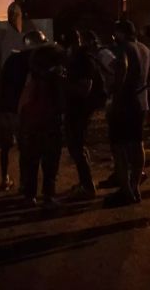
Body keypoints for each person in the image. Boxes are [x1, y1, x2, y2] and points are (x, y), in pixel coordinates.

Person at [105, 19, 150, 207]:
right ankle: (135, 187)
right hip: (141, 103)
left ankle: (126, 191)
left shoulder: (123, 47)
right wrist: (145, 85)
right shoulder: (143, 48)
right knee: (137, 143)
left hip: (124, 104)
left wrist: (115, 94)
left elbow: (123, 67)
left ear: (121, 33)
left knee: (119, 147)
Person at [0, 30, 47, 191]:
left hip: (5, 108)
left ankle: (4, 179)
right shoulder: (35, 62)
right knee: (25, 149)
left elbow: (2, 83)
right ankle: (24, 184)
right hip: (21, 111)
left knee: (5, 146)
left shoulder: (12, 58)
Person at [18, 43, 67, 208]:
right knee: (51, 164)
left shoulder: (33, 79)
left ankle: (29, 196)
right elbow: (62, 104)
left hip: (32, 126)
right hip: (51, 126)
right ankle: (48, 196)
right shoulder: (57, 80)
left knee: (31, 162)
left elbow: (24, 102)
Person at [60, 30, 99, 200]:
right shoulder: (76, 58)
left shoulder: (84, 59)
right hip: (75, 109)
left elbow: (85, 88)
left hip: (80, 110)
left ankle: (88, 186)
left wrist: (62, 83)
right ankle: (85, 182)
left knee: (77, 148)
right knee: (77, 147)